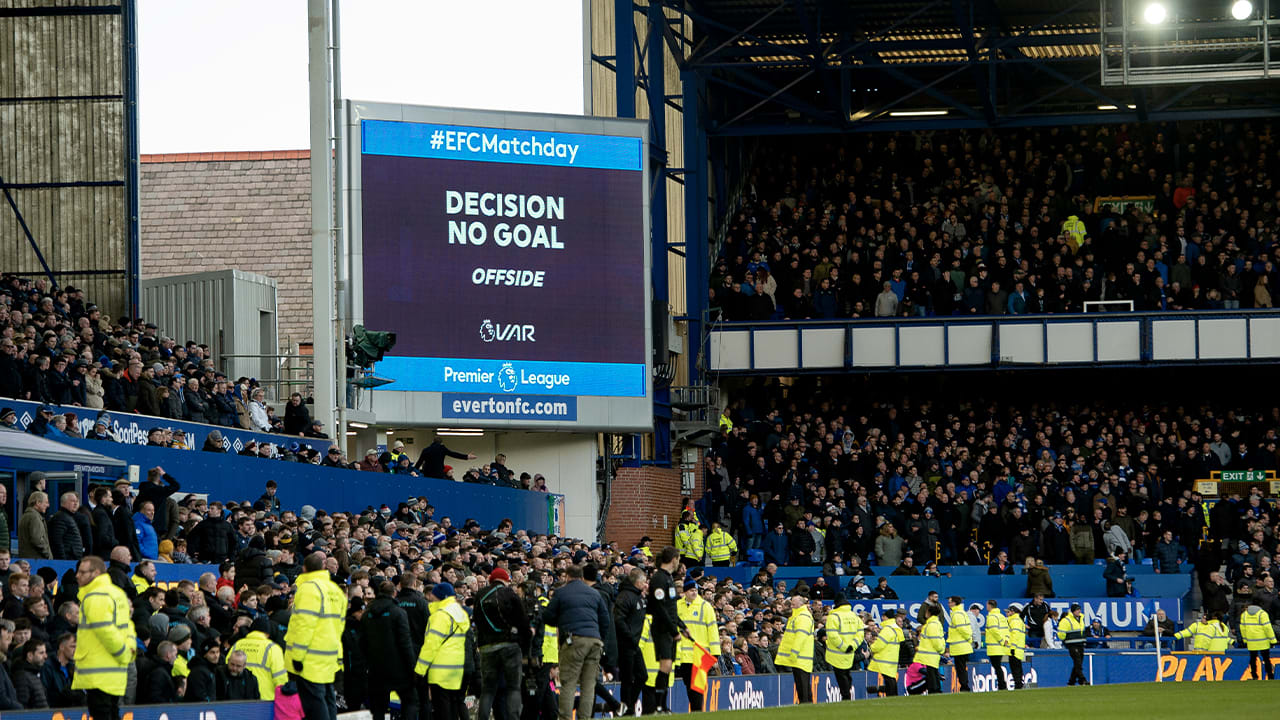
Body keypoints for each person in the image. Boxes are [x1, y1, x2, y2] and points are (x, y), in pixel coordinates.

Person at [543, 563, 611, 720]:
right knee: (589, 685)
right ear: (581, 577)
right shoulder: (594, 593)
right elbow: (605, 620)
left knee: (569, 683)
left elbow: (547, 616)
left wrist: (560, 622)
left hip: (573, 640)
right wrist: (599, 637)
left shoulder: (561, 593)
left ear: (567, 576)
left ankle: (566, 718)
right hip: (594, 641)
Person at [72, 555, 136, 720]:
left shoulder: (95, 596)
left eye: (82, 572)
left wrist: (122, 652)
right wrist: (128, 651)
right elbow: (128, 626)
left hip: (98, 674)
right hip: (116, 673)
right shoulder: (117, 593)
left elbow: (104, 630)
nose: (77, 575)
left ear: (96, 573)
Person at [285, 552, 348, 720]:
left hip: (309, 659)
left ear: (304, 568)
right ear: (323, 567)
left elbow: (304, 625)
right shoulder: (336, 590)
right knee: (328, 700)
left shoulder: (308, 589)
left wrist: (297, 657)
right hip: (329, 656)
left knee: (315, 706)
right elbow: (340, 626)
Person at [474, 567, 530, 720]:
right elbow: (523, 621)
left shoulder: (480, 595)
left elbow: (477, 621)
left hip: (486, 647)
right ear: (505, 580)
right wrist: (525, 646)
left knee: (488, 690)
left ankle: (483, 717)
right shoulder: (509, 594)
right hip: (509, 646)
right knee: (513, 688)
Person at [361, 580, 418, 720]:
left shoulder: (367, 614)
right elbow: (405, 643)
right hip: (399, 668)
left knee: (379, 708)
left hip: (376, 668)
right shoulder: (398, 613)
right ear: (394, 593)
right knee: (410, 701)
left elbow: (362, 642)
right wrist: (413, 668)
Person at [416, 581, 470, 720]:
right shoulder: (460, 614)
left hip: (439, 671)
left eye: (433, 596)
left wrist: (420, 670)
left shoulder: (440, 616)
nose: (430, 598)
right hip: (456, 670)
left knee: (442, 710)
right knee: (453, 708)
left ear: (439, 597)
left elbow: (431, 645)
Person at [645, 546, 686, 713]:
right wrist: (674, 631)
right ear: (673, 559)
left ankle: (663, 706)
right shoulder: (658, 579)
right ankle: (658, 706)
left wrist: (682, 627)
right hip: (662, 629)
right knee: (665, 665)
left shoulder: (668, 578)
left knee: (668, 668)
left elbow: (671, 608)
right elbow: (660, 608)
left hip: (669, 628)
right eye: (678, 559)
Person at [675, 578, 718, 711]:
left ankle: (697, 711)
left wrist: (715, 653)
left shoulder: (705, 607)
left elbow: (712, 630)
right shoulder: (677, 605)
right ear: (685, 591)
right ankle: (696, 711)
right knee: (688, 685)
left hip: (699, 654)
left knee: (697, 686)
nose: (694, 593)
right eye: (691, 590)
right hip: (682, 655)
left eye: (695, 590)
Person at [613, 567, 648, 715]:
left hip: (634, 644)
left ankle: (628, 705)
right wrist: (629, 636)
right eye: (644, 581)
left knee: (642, 676)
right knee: (627, 679)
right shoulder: (625, 596)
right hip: (625, 644)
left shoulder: (638, 596)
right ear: (637, 582)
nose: (646, 584)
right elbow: (619, 620)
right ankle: (626, 710)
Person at [775, 587, 814, 703]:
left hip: (800, 657)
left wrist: (794, 653)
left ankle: (805, 704)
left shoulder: (803, 617)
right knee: (802, 684)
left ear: (800, 604)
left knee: (803, 685)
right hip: (799, 657)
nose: (791, 606)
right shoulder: (797, 616)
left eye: (793, 604)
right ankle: (806, 703)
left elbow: (800, 637)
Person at [233, 615, 287, 698]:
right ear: (268, 633)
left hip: (238, 698)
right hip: (264, 699)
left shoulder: (238, 644)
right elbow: (280, 678)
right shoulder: (273, 648)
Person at [824, 597, 863, 701]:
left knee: (841, 677)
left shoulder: (833, 617)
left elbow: (832, 635)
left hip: (837, 653)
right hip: (850, 652)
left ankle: (846, 697)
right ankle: (847, 695)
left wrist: (843, 647)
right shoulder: (854, 616)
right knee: (846, 675)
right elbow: (860, 633)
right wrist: (852, 646)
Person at [867, 608, 904, 696]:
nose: (882, 618)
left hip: (884, 659)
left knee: (888, 679)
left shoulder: (887, 629)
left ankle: (891, 696)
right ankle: (894, 695)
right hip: (892, 659)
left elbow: (879, 644)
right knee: (891, 679)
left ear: (886, 617)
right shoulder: (896, 629)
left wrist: (871, 648)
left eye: (883, 616)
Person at [913, 603, 946, 693]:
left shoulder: (931, 625)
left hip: (929, 654)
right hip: (932, 654)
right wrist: (941, 649)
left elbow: (935, 640)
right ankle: (937, 690)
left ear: (929, 613)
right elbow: (940, 638)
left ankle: (934, 691)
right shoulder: (936, 623)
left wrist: (940, 649)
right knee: (933, 673)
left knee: (932, 675)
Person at [1239, 603, 1276, 680]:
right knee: (1266, 659)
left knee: (1253, 658)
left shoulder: (1244, 615)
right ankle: (1270, 675)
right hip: (1263, 640)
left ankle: (1254, 675)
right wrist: (1272, 639)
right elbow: (1267, 627)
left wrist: (1245, 639)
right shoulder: (1263, 614)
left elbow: (1242, 628)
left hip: (1251, 640)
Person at [946, 596, 973, 691]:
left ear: (954, 603)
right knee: (962, 668)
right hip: (963, 646)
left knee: (960, 668)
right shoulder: (962, 613)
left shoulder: (956, 614)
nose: (948, 604)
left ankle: (964, 686)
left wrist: (968, 638)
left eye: (950, 602)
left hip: (959, 647)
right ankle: (964, 685)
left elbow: (962, 629)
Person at [1058, 603, 1087, 686]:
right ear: (1073, 611)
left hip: (1080, 644)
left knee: (1078, 663)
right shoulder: (1066, 620)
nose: (1079, 611)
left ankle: (1072, 681)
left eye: (1079, 609)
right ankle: (1082, 679)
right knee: (1077, 662)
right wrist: (1065, 639)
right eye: (1077, 610)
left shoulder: (1081, 619)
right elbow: (1061, 633)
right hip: (1072, 644)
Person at [984, 599, 1010, 690]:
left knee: (997, 666)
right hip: (1001, 647)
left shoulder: (991, 617)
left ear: (990, 605)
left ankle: (1002, 685)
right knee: (998, 666)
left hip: (994, 647)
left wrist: (1001, 640)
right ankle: (1002, 684)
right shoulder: (1001, 616)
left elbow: (994, 631)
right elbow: (1007, 629)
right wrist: (1006, 639)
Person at [18, 491, 52, 559]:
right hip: (37, 560)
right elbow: (37, 540)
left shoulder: (26, 516)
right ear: (38, 503)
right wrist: (48, 555)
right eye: (46, 502)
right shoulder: (34, 517)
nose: (48, 505)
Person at [1005, 603, 1027, 690]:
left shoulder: (1015, 621)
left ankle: (1018, 685)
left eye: (1008, 611)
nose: (1007, 613)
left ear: (1013, 612)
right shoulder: (1017, 621)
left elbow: (1015, 635)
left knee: (1015, 668)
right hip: (1018, 649)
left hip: (1015, 649)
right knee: (1017, 667)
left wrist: (1013, 648)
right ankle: (1019, 684)